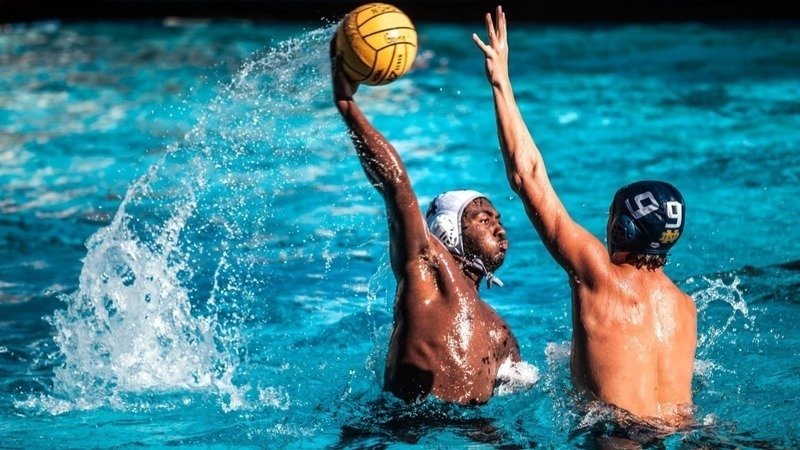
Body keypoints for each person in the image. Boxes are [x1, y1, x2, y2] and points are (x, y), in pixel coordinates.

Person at [473, 6, 697, 429]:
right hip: (686, 433)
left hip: (618, 435)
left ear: (622, 229)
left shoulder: (598, 275)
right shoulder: (685, 308)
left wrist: (501, 82)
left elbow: (527, 176)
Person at [329, 38, 521, 405]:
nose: (499, 227)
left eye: (497, 219)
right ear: (449, 231)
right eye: (483, 219)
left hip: (469, 428)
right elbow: (394, 183)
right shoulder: (426, 268)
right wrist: (347, 106)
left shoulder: (501, 332)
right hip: (401, 426)